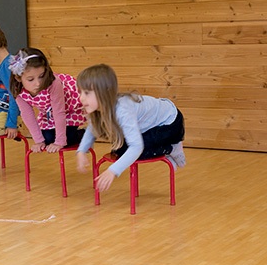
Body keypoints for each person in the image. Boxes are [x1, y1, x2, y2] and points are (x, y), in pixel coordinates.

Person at [75, 63, 186, 192]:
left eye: (87, 93)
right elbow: (92, 129)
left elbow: (137, 146)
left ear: (103, 93)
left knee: (132, 151)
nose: (81, 98)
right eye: (80, 92)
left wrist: (113, 171)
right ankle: (166, 147)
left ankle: (172, 147)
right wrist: (81, 150)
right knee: (120, 151)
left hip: (169, 123)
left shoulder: (122, 109)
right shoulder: (99, 110)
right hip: (151, 126)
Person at [9, 47, 86, 154]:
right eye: (30, 79)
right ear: (18, 78)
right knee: (47, 139)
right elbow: (27, 114)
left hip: (70, 109)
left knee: (65, 138)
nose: (38, 83)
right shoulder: (18, 90)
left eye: (41, 76)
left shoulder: (54, 83)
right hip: (50, 113)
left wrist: (60, 142)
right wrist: (38, 141)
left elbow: (59, 112)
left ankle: (85, 135)